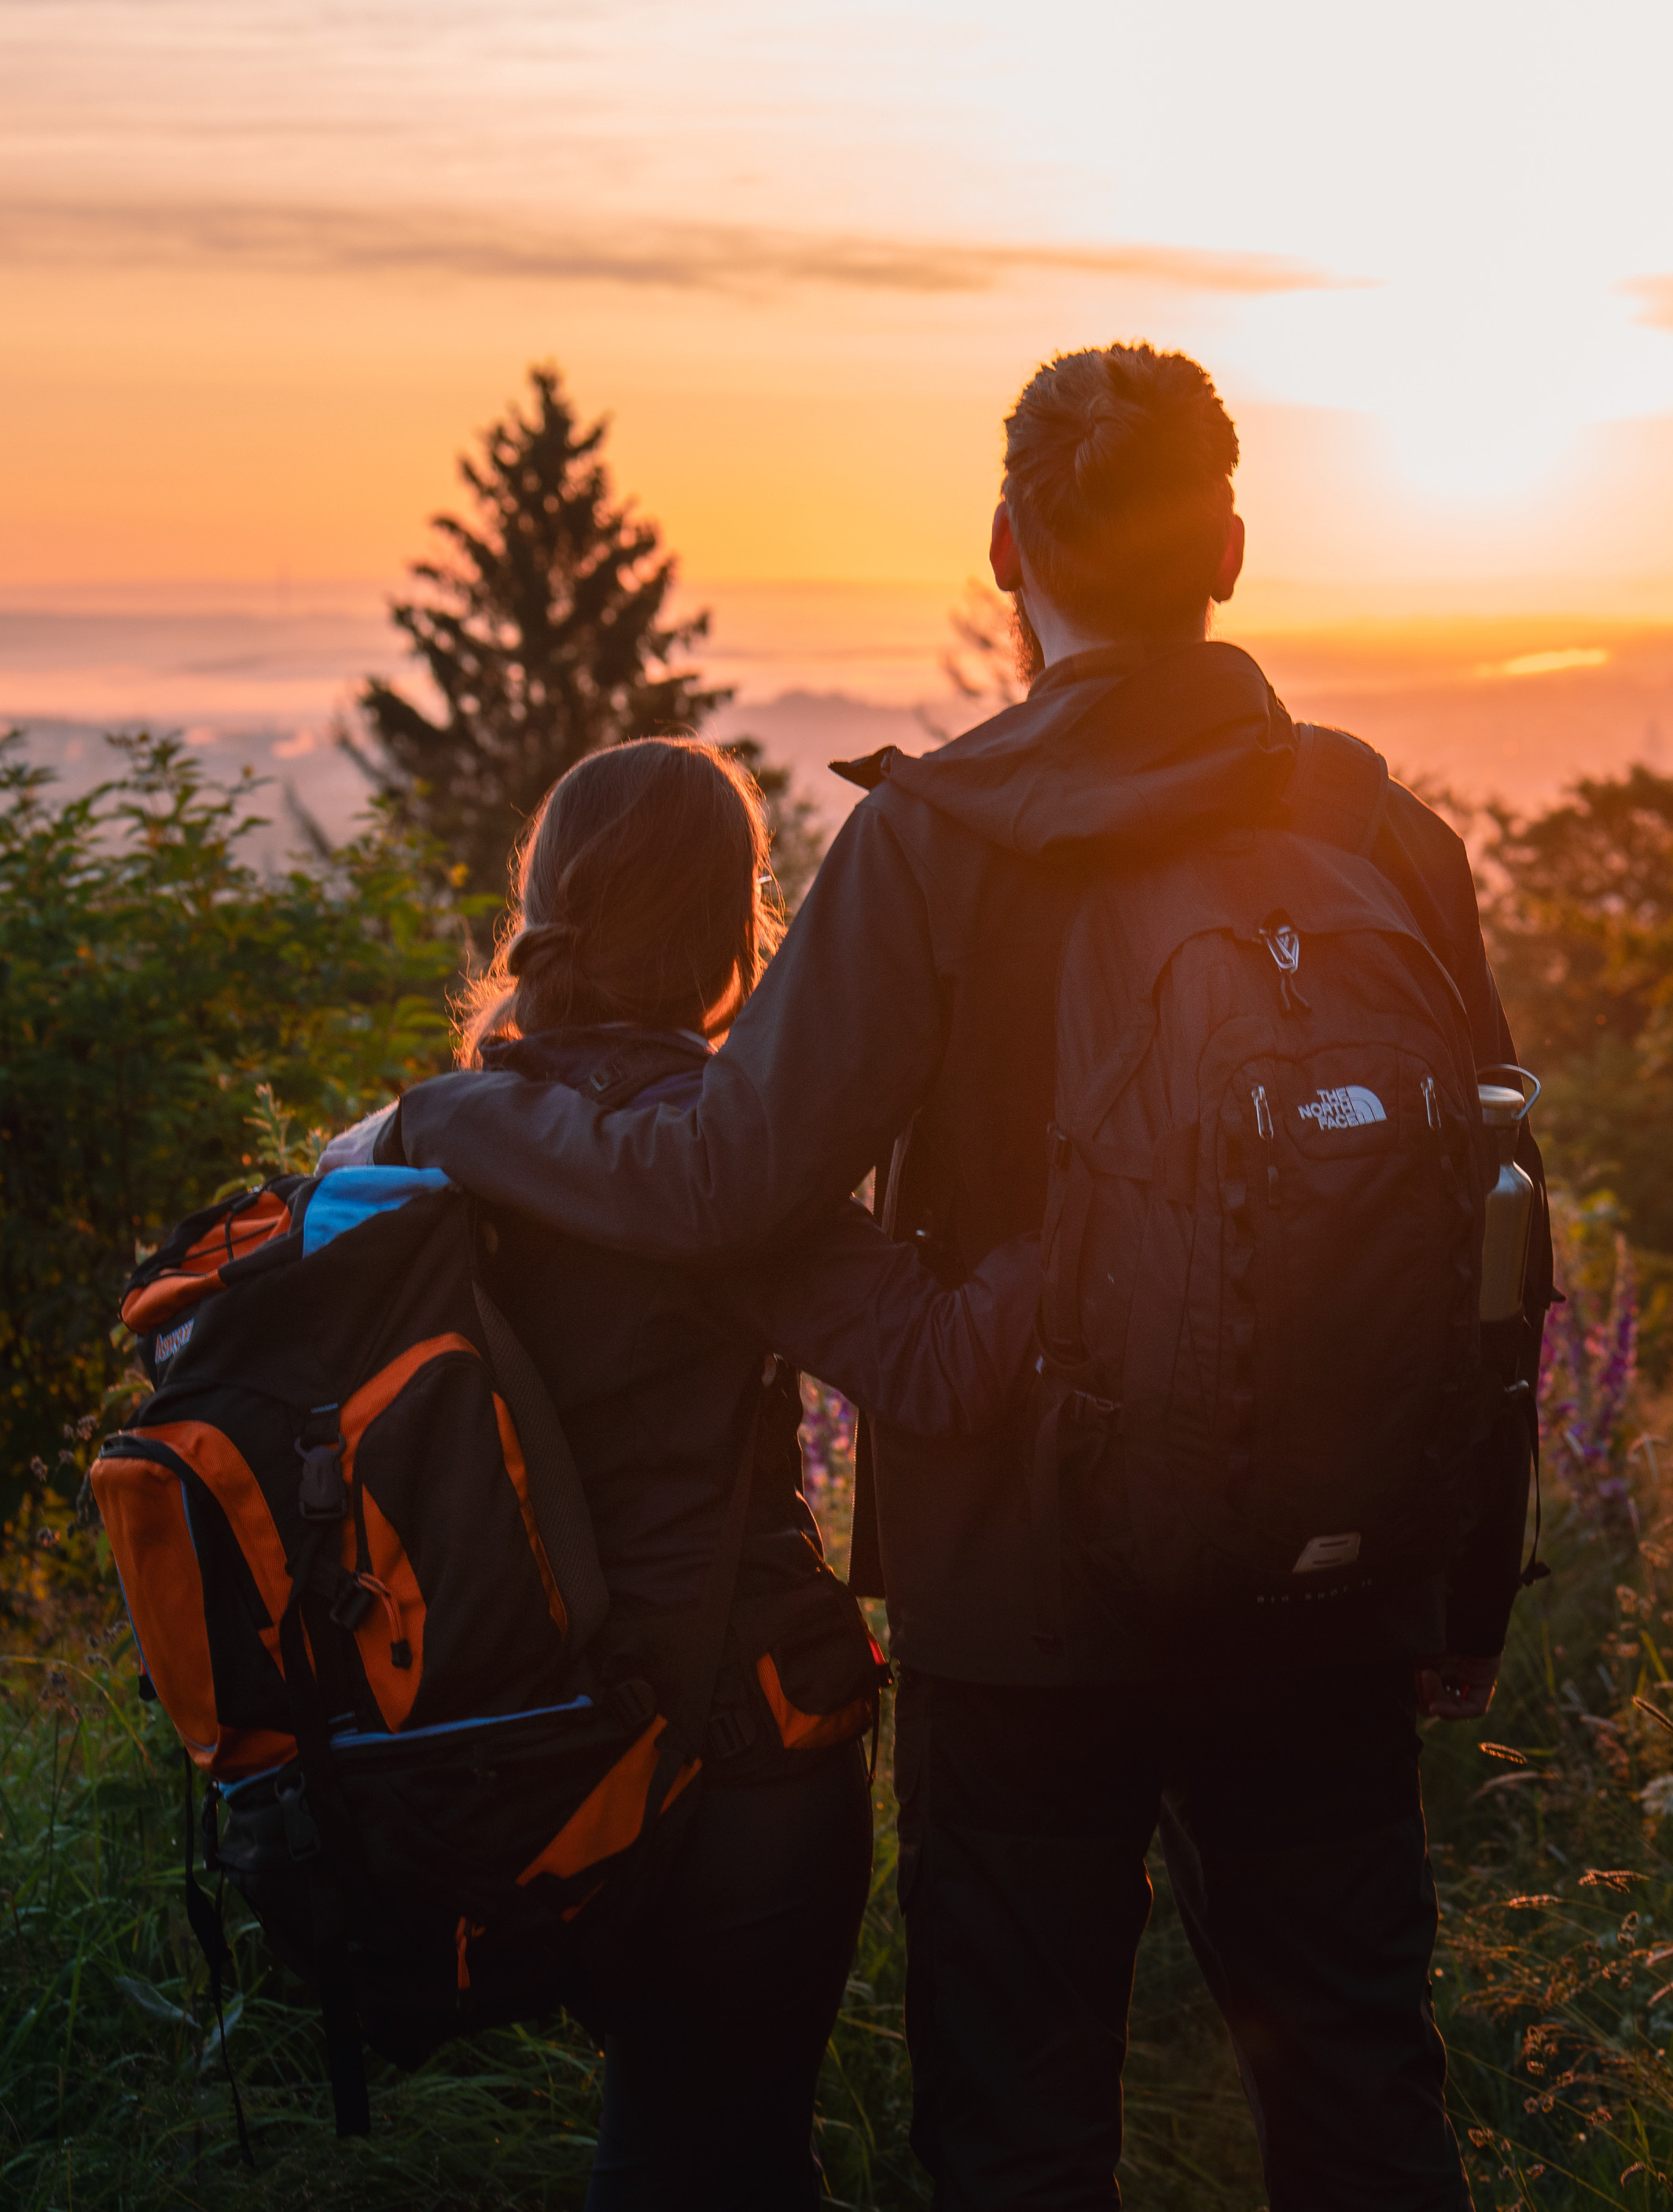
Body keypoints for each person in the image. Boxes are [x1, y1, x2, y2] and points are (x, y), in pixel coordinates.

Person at [392, 343, 1543, 2210]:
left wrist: (455, 1117)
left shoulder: (931, 841)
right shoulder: (1383, 836)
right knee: (1355, 2088)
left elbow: (727, 1176)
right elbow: (1497, 1240)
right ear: (1230, 547)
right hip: (1332, 1580)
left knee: (1015, 2124)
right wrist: (1456, 1580)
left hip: (1023, 1600)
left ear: (1007, 549)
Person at [341, 736, 1037, 2211]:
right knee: (705, 2154)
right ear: (737, 925)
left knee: (687, 2150)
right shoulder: (714, 1162)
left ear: (548, 904)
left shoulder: (430, 1139)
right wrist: (1083, 1201)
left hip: (523, 1755)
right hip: (736, 1762)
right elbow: (943, 1369)